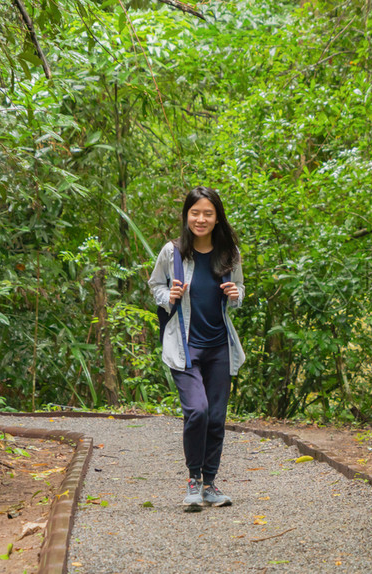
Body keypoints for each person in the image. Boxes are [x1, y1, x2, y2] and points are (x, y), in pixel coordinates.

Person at [148, 186, 245, 511]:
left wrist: (235, 294)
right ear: (186, 215)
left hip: (219, 347)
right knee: (197, 410)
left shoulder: (229, 253)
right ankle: (193, 480)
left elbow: (240, 290)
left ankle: (209, 485)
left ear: (217, 218)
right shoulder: (172, 252)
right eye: (195, 212)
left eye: (207, 213)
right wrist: (168, 297)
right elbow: (155, 285)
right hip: (184, 347)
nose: (200, 219)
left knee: (216, 417)